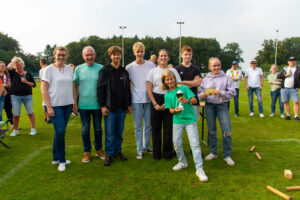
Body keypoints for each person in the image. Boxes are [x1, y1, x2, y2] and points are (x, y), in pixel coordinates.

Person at [163, 70, 208, 182]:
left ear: (175, 79)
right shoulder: (167, 95)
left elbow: (194, 100)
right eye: (167, 79)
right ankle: (182, 162)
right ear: (165, 82)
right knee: (177, 144)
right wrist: (175, 111)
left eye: (171, 78)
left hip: (190, 120)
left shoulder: (183, 88)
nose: (170, 81)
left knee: (195, 145)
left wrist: (186, 100)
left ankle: (199, 169)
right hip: (177, 121)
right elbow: (171, 111)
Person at [41, 46, 74, 172]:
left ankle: (55, 157)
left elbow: (71, 86)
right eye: (59, 54)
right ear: (54, 55)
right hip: (54, 105)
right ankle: (61, 160)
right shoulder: (49, 69)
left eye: (63, 55)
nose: (61, 57)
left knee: (59, 132)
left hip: (67, 105)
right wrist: (48, 107)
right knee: (60, 131)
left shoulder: (69, 69)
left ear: (66, 56)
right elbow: (43, 88)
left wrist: (73, 103)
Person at [97, 46, 131, 166]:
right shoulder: (105, 70)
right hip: (110, 107)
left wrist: (128, 104)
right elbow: (100, 89)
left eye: (118, 54)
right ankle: (109, 154)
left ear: (121, 55)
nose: (116, 56)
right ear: (110, 56)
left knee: (119, 132)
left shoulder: (124, 71)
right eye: (114, 54)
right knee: (110, 133)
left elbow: (127, 89)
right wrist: (102, 105)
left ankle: (118, 151)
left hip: (122, 107)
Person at [198, 57, 235, 166]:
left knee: (227, 130)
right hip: (209, 106)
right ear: (209, 67)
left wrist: (220, 92)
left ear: (221, 65)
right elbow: (199, 94)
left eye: (218, 65)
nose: (216, 67)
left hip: (222, 106)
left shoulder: (227, 78)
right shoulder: (205, 79)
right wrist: (202, 95)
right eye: (214, 65)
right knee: (211, 130)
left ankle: (227, 155)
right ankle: (213, 152)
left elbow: (232, 93)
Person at [146, 49, 181, 160]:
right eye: (161, 56)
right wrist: (155, 104)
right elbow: (149, 89)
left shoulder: (173, 71)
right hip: (156, 99)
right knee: (156, 129)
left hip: (169, 99)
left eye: (165, 56)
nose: (163, 58)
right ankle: (157, 154)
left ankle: (167, 153)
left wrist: (167, 103)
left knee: (168, 129)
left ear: (168, 57)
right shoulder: (152, 71)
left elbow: (178, 87)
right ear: (158, 57)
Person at [73, 46, 105, 163]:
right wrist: (74, 103)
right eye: (87, 55)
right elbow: (75, 86)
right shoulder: (78, 69)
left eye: (91, 54)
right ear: (83, 56)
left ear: (94, 55)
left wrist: (104, 104)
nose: (89, 57)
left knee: (98, 129)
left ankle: (99, 150)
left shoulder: (101, 68)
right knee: (85, 130)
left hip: (97, 105)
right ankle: (87, 152)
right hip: (83, 105)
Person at [126, 42, 155, 159]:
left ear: (144, 52)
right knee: (138, 127)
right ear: (134, 53)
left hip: (149, 100)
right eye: (137, 51)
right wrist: (128, 103)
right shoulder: (129, 67)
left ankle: (146, 146)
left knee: (148, 125)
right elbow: (127, 86)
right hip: (136, 101)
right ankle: (139, 150)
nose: (140, 53)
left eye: (141, 51)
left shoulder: (151, 65)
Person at [7, 57, 37, 136]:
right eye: (17, 66)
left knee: (30, 113)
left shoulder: (28, 74)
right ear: (15, 66)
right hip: (15, 96)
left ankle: (33, 129)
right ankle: (15, 130)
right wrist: (14, 61)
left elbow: (33, 84)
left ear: (23, 65)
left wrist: (26, 82)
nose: (19, 67)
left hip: (27, 96)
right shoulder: (13, 73)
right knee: (16, 114)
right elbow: (8, 67)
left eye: (20, 65)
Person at [175, 45, 202, 121]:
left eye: (189, 54)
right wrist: (192, 83)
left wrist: (183, 82)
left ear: (192, 55)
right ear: (181, 55)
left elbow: (199, 83)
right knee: (180, 123)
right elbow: (176, 85)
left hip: (193, 99)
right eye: (185, 54)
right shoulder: (177, 69)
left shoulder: (196, 69)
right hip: (180, 99)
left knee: (193, 122)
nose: (187, 56)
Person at [277, 56, 300, 121]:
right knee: (285, 102)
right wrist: (285, 75)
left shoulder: (298, 69)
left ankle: (296, 116)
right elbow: (278, 76)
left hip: (293, 88)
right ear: (288, 62)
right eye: (290, 61)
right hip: (284, 88)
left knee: (296, 102)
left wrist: (298, 86)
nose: (292, 62)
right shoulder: (284, 69)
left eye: (293, 61)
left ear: (294, 62)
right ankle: (288, 115)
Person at [39, 59, 51, 123]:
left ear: (41, 63)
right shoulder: (50, 68)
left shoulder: (41, 70)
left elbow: (41, 80)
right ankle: (48, 117)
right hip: (51, 87)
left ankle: (47, 117)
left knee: (44, 102)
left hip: (45, 87)